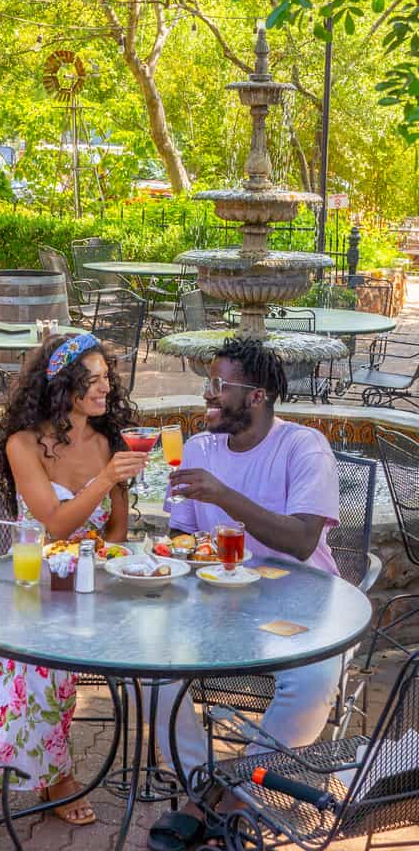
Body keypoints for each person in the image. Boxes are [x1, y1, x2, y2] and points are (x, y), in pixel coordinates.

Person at [0, 331, 147, 826]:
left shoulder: (109, 441)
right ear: (63, 387)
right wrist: (104, 480)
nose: (106, 389)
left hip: (97, 582)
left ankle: (35, 772)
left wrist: (107, 540)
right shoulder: (24, 444)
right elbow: (54, 523)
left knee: (35, 663)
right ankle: (22, 766)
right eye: (93, 381)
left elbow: (118, 532)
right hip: (36, 577)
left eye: (107, 379)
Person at [148, 337, 341, 851]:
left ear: (256, 396)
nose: (207, 394)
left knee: (314, 678)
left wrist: (224, 497)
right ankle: (211, 787)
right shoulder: (198, 448)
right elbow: (183, 538)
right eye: (208, 383)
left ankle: (229, 792)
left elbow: (302, 541)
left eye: (219, 385)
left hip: (302, 604)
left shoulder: (303, 446)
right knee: (151, 671)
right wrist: (172, 552)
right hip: (220, 605)